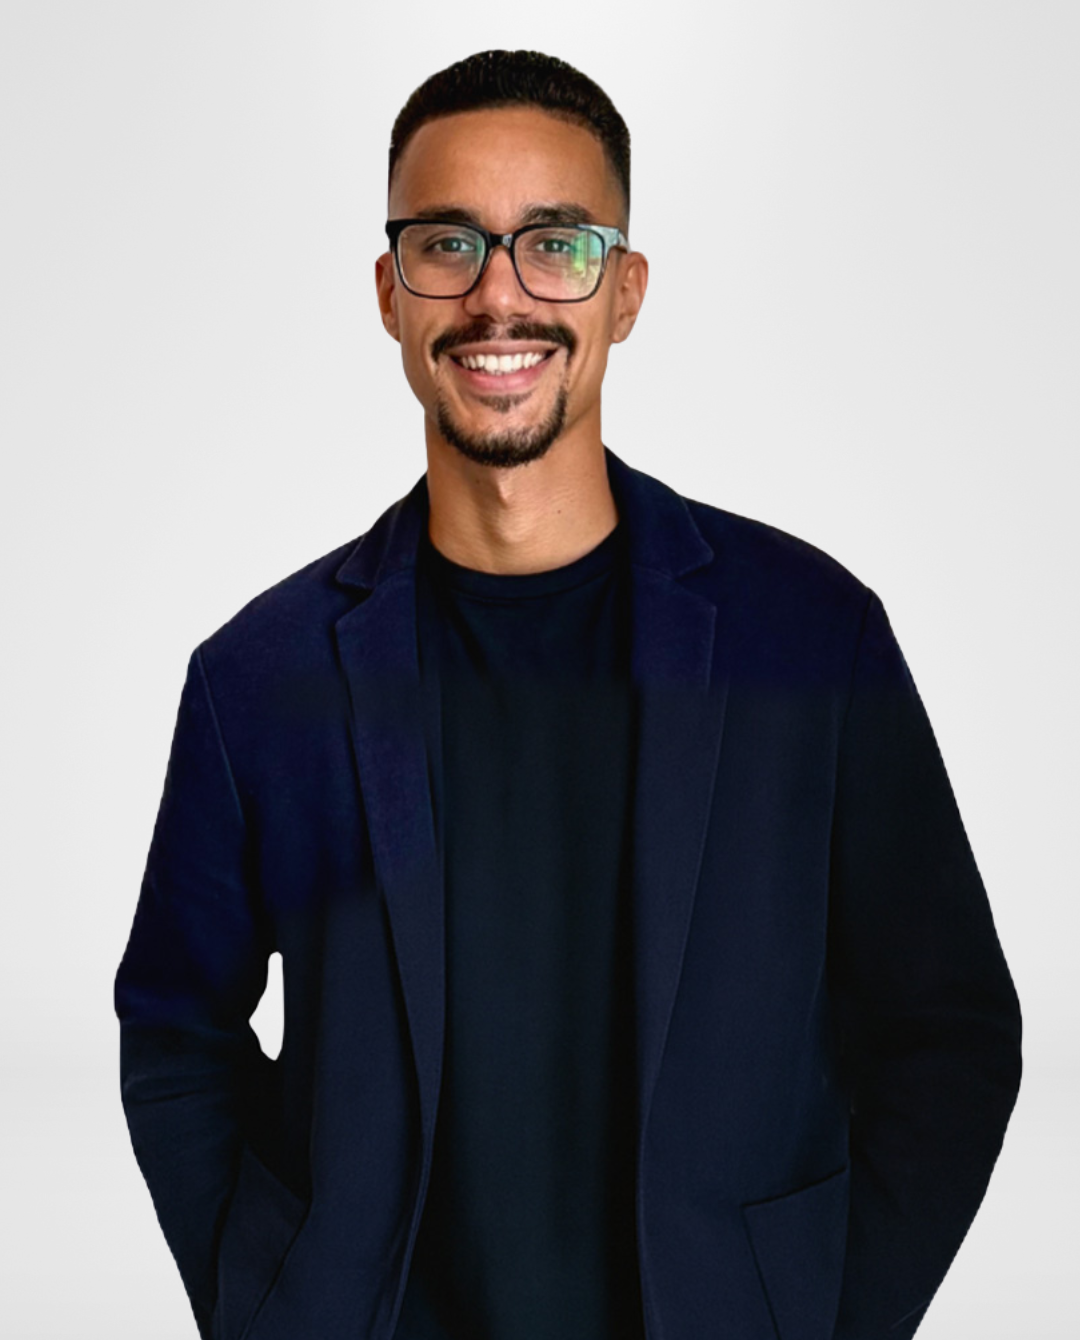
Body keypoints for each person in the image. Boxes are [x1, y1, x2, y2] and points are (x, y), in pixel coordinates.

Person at [114, 48, 1022, 1340]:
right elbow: (173, 1021)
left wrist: (829, 1315)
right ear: (389, 290)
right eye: (448, 244)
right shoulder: (258, 682)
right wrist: (267, 1294)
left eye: (557, 246)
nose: (500, 298)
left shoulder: (812, 641)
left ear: (626, 289)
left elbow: (953, 1031)